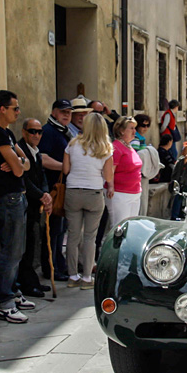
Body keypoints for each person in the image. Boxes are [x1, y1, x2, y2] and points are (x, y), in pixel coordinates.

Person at [0, 90, 35, 324]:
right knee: (10, 252)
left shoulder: (8, 134)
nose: (18, 112)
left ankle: (13, 292)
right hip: (8, 198)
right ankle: (4, 303)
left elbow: (27, 163)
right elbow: (18, 169)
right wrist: (18, 163)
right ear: (2, 109)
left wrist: (18, 162)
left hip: (17, 196)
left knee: (17, 250)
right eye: (15, 108)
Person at [63, 112, 114, 289]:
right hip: (93, 193)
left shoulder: (72, 144)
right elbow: (108, 177)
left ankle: (72, 276)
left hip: (73, 191)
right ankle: (86, 278)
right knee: (90, 237)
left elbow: (66, 170)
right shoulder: (106, 148)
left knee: (72, 235)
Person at [18, 118, 53, 298]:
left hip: (36, 204)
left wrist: (45, 193)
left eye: (39, 132)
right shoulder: (20, 150)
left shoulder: (37, 152)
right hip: (25, 204)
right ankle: (26, 284)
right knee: (26, 246)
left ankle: (32, 281)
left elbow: (42, 176)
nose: (37, 135)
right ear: (24, 132)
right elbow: (24, 179)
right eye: (33, 131)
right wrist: (41, 194)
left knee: (33, 243)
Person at [39, 99, 73, 282]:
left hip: (64, 188)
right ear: (54, 112)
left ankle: (59, 264)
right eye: (63, 112)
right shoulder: (48, 132)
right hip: (53, 188)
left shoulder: (63, 131)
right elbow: (42, 158)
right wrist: (65, 166)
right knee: (53, 231)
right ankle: (50, 267)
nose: (67, 115)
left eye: (69, 112)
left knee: (60, 230)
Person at [109, 117, 143, 226]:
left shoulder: (128, 146)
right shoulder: (116, 147)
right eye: (131, 128)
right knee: (119, 227)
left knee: (131, 227)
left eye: (135, 128)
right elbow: (110, 170)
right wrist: (110, 186)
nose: (135, 131)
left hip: (134, 193)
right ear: (121, 130)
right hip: (120, 194)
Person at [133, 115, 161, 215]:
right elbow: (135, 156)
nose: (145, 128)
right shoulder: (135, 138)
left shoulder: (140, 137)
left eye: (147, 125)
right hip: (139, 175)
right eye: (142, 125)